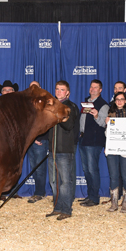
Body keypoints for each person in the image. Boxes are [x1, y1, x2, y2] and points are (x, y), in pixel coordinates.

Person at [46, 80, 80, 220]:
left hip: (65, 150)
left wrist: (59, 114)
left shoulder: (70, 107)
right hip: (52, 150)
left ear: (67, 92)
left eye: (62, 90)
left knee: (65, 181)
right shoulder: (52, 106)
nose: (59, 92)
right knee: (54, 181)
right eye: (57, 89)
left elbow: (69, 126)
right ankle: (57, 207)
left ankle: (66, 209)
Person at [78, 79, 108, 207]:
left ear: (100, 90)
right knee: (86, 169)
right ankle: (90, 196)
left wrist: (96, 116)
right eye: (91, 87)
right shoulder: (86, 103)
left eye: (95, 87)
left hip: (94, 141)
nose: (92, 89)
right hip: (84, 139)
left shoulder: (103, 105)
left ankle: (95, 198)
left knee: (92, 169)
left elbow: (103, 123)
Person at [104, 92, 126, 213]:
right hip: (113, 148)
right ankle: (114, 203)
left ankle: (125, 203)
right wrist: (107, 125)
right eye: (117, 99)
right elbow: (107, 134)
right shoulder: (110, 114)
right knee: (113, 176)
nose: (119, 101)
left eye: (122, 99)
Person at [26, 81, 48, 204]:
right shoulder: (27, 104)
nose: (33, 89)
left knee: (39, 168)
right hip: (30, 140)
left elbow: (45, 122)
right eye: (31, 87)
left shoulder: (44, 103)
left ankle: (39, 192)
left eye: (36, 87)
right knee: (34, 167)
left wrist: (38, 137)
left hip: (40, 140)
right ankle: (39, 191)